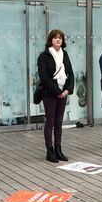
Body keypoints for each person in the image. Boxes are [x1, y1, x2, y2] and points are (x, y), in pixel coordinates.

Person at [37, 29, 75, 163]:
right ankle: (50, 150)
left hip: (63, 92)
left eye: (60, 38)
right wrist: (57, 92)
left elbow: (70, 73)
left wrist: (66, 90)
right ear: (50, 40)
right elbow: (44, 77)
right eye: (55, 38)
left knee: (59, 121)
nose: (58, 40)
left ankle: (58, 149)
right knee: (50, 121)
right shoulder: (44, 56)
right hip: (50, 93)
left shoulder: (65, 54)